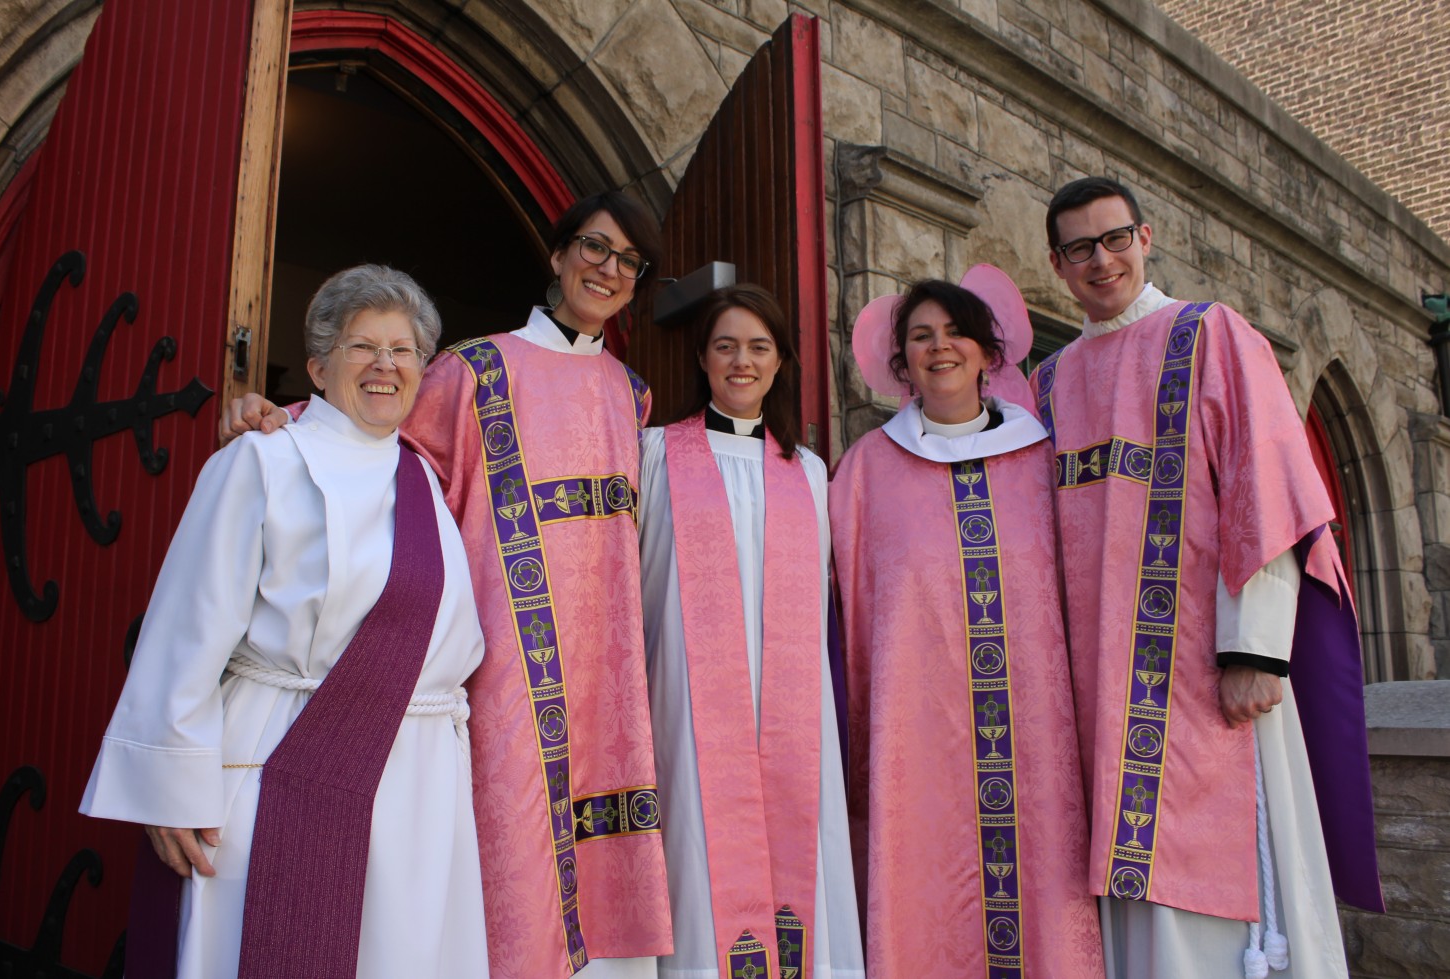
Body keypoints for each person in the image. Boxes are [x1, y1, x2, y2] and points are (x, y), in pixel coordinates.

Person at [226, 191, 674, 978]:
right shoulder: (476, 369)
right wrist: (281, 416)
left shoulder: (631, 393)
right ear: (559, 253)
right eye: (595, 249)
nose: (608, 269)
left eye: (628, 261)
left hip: (606, 665)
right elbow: (376, 426)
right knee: (510, 852)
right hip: (504, 659)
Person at [80, 265, 490, 978]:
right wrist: (169, 787)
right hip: (281, 764)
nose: (386, 365)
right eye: (364, 346)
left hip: (415, 789)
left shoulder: (422, 478)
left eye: (405, 350)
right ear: (318, 366)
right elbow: (187, 625)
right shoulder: (264, 460)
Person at [1032, 176, 1382, 979]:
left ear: (1146, 238)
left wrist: (1253, 647)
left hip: (1201, 666)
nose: (1102, 259)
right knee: (1112, 866)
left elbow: (1263, 483)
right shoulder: (1048, 381)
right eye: (1080, 247)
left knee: (1200, 867)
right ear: (1056, 263)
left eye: (1115, 238)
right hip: (1091, 683)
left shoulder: (1209, 335)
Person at [830, 270, 1104, 977]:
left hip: (1038, 738)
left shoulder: (1046, 458)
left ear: (990, 351)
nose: (939, 347)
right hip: (914, 742)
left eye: (956, 332)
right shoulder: (863, 471)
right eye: (920, 336)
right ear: (901, 363)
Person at [637, 285, 865, 979]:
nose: (742, 361)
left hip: (792, 715)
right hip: (688, 701)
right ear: (702, 358)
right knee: (696, 840)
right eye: (726, 345)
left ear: (781, 363)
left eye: (759, 347)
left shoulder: (812, 472)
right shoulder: (650, 454)